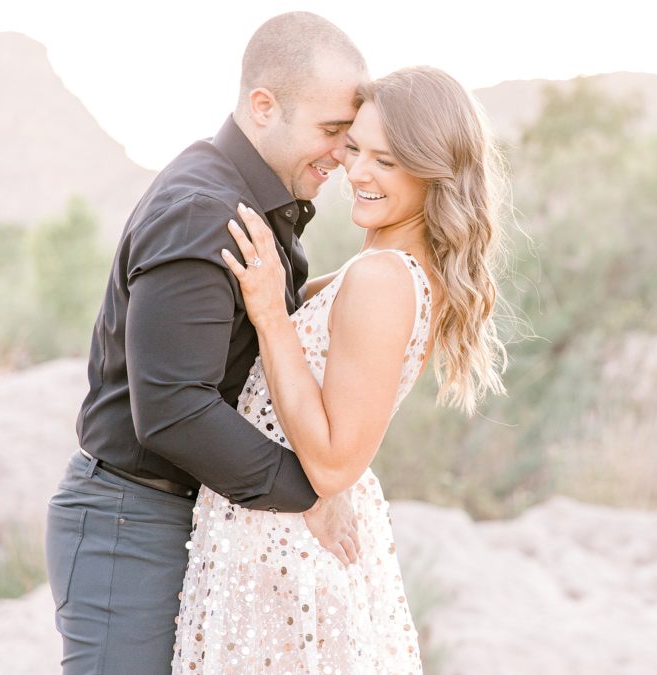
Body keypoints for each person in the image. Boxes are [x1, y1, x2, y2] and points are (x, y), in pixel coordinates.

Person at [45, 13, 369, 674]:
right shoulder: (204, 208)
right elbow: (172, 408)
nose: (343, 153)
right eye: (332, 131)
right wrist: (311, 488)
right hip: (128, 525)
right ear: (263, 106)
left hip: (181, 519)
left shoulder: (252, 202)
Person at [171, 65, 510, 673]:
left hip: (288, 555)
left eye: (387, 161)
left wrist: (273, 316)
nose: (356, 172)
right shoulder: (384, 265)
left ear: (434, 171)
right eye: (354, 149)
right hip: (276, 543)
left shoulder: (384, 279)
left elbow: (332, 463)